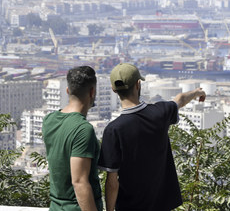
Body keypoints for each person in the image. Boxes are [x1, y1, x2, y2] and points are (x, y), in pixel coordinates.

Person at [98, 63, 206, 211]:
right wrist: (196, 92)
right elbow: (180, 99)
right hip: (162, 204)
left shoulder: (113, 130)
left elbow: (112, 181)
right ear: (138, 84)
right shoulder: (160, 113)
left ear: (113, 89)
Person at [42, 66, 102, 211]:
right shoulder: (83, 129)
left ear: (68, 91)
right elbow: (79, 182)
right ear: (92, 92)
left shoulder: (49, 120)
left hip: (55, 206)